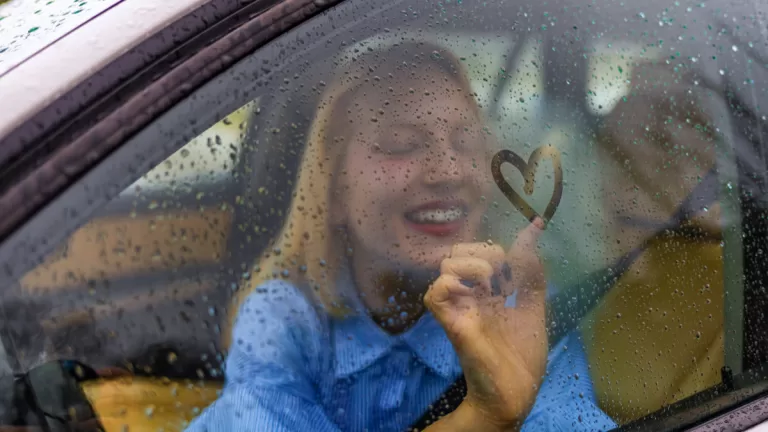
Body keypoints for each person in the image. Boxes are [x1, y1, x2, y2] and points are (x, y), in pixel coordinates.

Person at [186, 40, 616, 431]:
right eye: (401, 145)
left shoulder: (518, 306)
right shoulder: (285, 320)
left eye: (466, 142)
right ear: (334, 191)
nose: (448, 171)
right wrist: (484, 418)